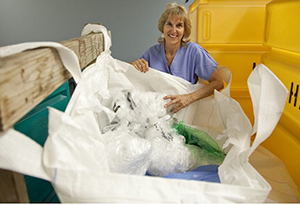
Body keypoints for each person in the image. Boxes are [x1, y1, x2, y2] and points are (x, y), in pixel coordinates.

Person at [132, 2, 224, 113]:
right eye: (169, 24)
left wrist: (189, 98)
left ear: (185, 30)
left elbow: (218, 82)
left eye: (179, 25)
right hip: (158, 115)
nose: (173, 30)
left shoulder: (194, 51)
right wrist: (135, 64)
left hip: (186, 113)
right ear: (163, 27)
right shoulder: (152, 53)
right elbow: (134, 76)